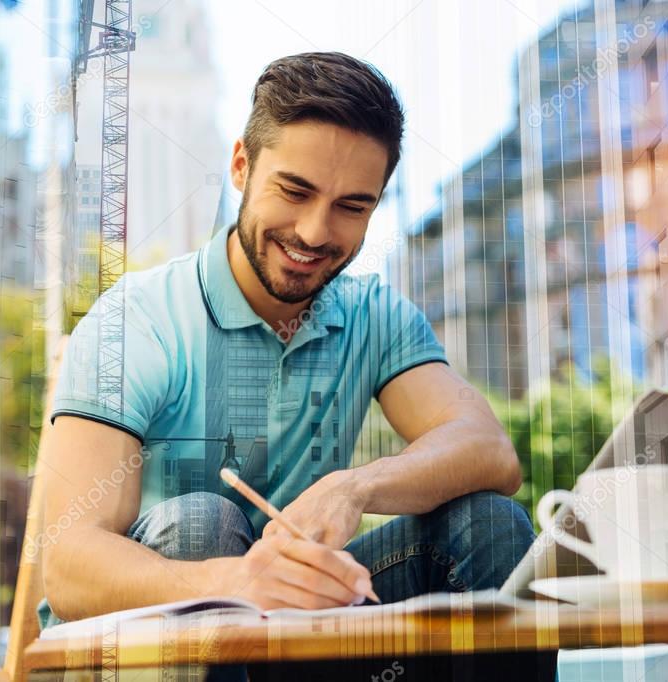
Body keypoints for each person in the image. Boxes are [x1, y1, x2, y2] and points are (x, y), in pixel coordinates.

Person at [37, 51, 535, 679]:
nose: (314, 231)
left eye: (352, 206)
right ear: (242, 165)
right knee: (202, 523)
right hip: (133, 653)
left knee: (489, 522)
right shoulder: (136, 321)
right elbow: (70, 564)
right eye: (294, 191)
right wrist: (242, 580)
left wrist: (353, 486)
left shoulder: (372, 314)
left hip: (292, 645)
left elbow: (489, 450)